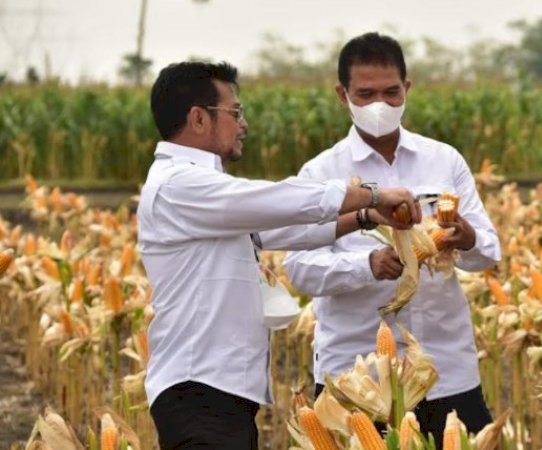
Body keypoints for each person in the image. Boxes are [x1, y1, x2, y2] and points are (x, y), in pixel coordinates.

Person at [137, 61, 420, 450]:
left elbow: (279, 229)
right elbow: (278, 201)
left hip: (220, 392)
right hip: (197, 390)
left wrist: (365, 217)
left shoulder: (204, 190)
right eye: (235, 113)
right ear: (199, 119)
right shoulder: (179, 184)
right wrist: (372, 194)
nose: (243, 124)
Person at [283, 32, 501, 447]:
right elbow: (299, 269)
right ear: (341, 94)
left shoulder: (444, 160)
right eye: (365, 94)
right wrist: (367, 265)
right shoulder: (320, 172)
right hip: (355, 374)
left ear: (408, 88)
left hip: (444, 367)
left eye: (390, 92)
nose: (379, 105)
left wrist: (466, 238)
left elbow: (488, 253)